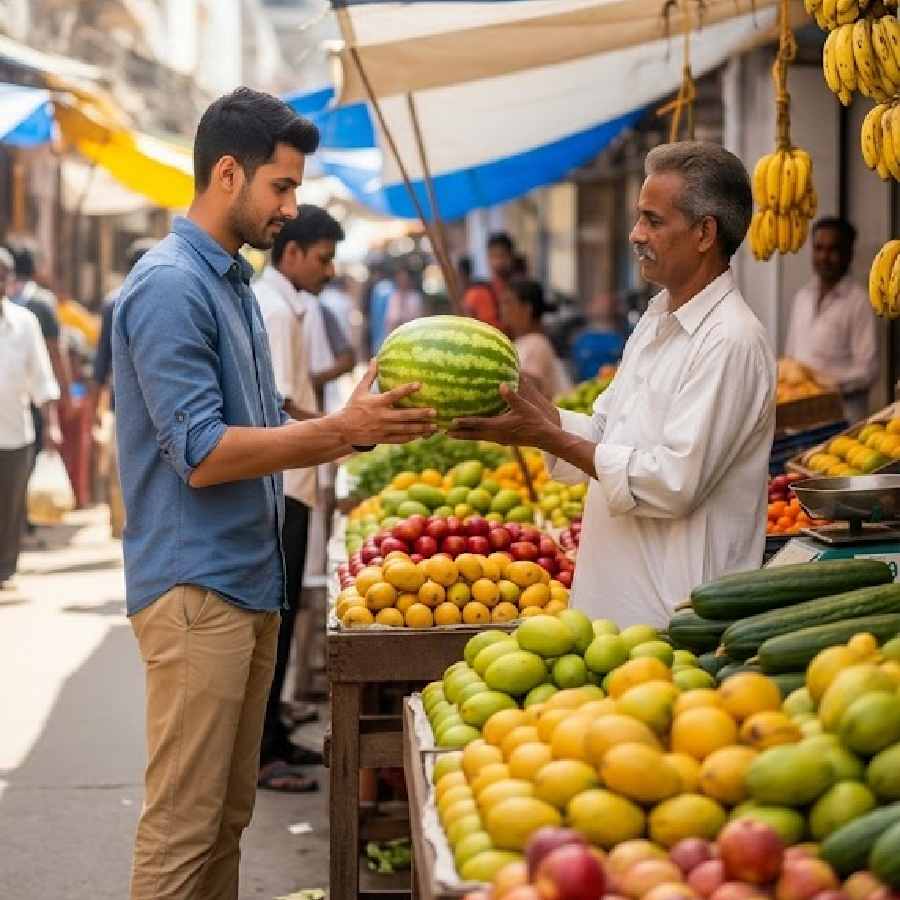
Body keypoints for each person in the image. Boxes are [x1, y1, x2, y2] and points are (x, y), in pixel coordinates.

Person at [112, 87, 435, 900]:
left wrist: (350, 419)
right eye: (281, 187)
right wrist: (336, 432)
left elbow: (261, 420)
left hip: (245, 583)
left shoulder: (230, 285)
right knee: (184, 830)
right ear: (228, 173)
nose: (292, 208)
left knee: (225, 822)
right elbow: (203, 453)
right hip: (197, 589)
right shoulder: (170, 286)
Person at [451, 141, 776, 629]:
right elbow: (607, 429)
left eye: (654, 221)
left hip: (679, 618)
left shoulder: (731, 340)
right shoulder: (657, 316)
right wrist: (532, 406)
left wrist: (546, 435)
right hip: (618, 608)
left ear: (705, 232)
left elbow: (672, 483)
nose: (636, 234)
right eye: (638, 218)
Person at [254, 210, 341, 794]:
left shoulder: (286, 304)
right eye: (322, 257)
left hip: (292, 478)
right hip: (283, 481)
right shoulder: (276, 309)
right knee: (277, 620)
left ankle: (275, 738)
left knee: (283, 618)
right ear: (291, 255)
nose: (328, 270)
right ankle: (265, 753)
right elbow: (283, 401)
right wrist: (347, 427)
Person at [0, 247, 60, 589]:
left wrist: (51, 424)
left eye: (2, 276)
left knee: (10, 508)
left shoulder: (25, 323)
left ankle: (5, 569)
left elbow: (42, 377)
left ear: (10, 281)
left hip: (15, 433)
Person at [90, 239, 156, 537]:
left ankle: (123, 525)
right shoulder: (162, 297)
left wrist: (95, 409)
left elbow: (101, 362)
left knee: (123, 465)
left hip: (123, 401)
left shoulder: (113, 301)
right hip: (158, 400)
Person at [784, 217, 878, 423]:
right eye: (818, 248)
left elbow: (868, 371)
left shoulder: (858, 301)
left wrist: (827, 384)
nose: (824, 257)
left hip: (842, 420)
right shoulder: (802, 297)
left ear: (848, 254)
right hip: (802, 417)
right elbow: (792, 356)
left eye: (833, 249)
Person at [500, 277, 572, 400]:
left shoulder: (537, 343)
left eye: (508, 302)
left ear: (527, 309)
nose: (503, 308)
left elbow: (530, 385)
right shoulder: (522, 342)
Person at [462, 231, 516, 331]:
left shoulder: (519, 293)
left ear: (511, 257)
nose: (499, 262)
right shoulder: (476, 294)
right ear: (488, 258)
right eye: (494, 256)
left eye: (502, 255)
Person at [570, 292, 627, 383]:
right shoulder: (580, 338)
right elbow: (573, 368)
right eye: (598, 303)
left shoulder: (620, 338)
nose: (602, 307)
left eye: (605, 304)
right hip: (584, 389)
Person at [385, 265, 424, 335]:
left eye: (405, 279)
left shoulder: (415, 297)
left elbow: (418, 318)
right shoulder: (393, 296)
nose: (402, 281)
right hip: (395, 333)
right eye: (400, 278)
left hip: (412, 333)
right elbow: (390, 319)